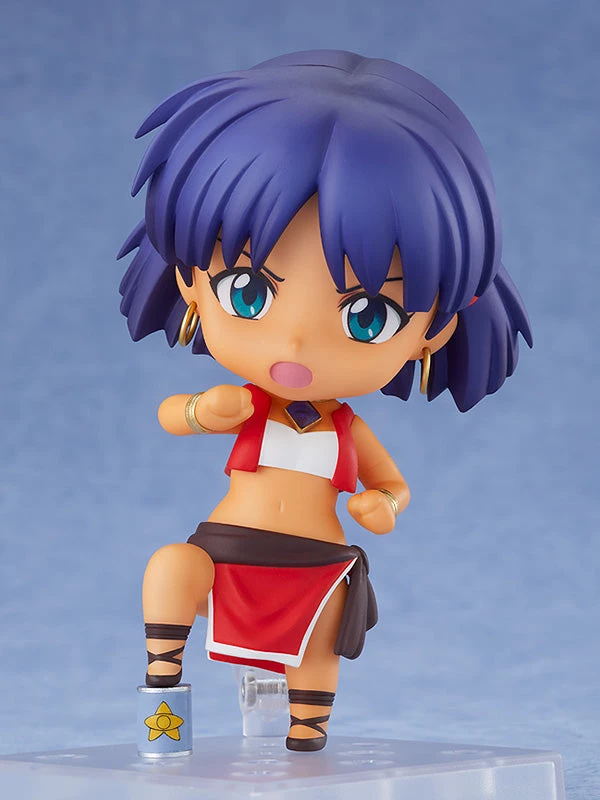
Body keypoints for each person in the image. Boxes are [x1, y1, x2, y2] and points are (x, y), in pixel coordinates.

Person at [118, 49, 532, 751]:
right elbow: (171, 416)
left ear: (434, 329)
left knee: (321, 636)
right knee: (170, 568)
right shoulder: (247, 404)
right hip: (228, 548)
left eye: (368, 315)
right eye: (247, 291)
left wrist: (383, 506)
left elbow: (390, 483)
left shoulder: (346, 430)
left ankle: (307, 732)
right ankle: (164, 688)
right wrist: (200, 412)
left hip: (314, 564)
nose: (297, 342)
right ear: (190, 281)